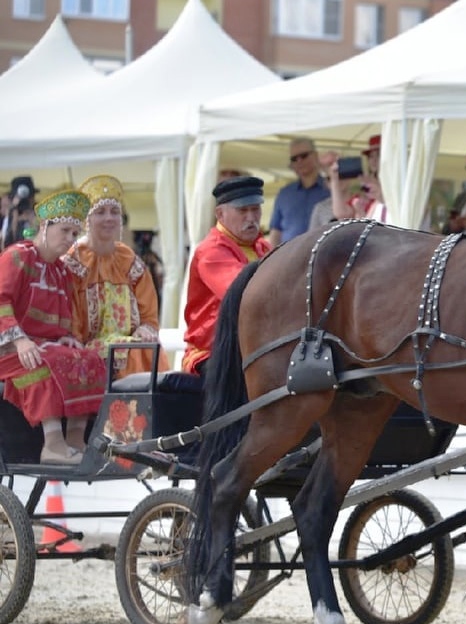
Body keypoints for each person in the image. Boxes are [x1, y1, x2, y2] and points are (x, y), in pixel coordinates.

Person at [0, 189, 106, 463]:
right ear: (45, 227)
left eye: (75, 233)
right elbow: (1, 301)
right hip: (10, 348)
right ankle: (53, 445)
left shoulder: (61, 271)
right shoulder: (17, 257)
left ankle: (75, 440)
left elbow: (62, 318)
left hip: (43, 346)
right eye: (65, 231)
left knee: (89, 359)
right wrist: (20, 340)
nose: (71, 239)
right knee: (44, 361)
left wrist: (67, 338)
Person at [62, 175, 166, 380]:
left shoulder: (129, 260)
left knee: (145, 347)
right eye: (100, 212)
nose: (109, 218)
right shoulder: (72, 263)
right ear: (86, 220)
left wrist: (146, 328)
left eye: (115, 212)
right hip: (83, 346)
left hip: (130, 343)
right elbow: (69, 319)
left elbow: (149, 315)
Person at [182, 176, 271, 376]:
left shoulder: (263, 247)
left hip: (253, 347)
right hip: (212, 353)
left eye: (255, 209)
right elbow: (244, 293)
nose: (251, 217)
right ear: (220, 214)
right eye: (242, 210)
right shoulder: (210, 251)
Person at [269, 138, 330, 246]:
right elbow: (276, 231)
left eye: (304, 156)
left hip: (324, 255)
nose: (299, 161)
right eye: (294, 159)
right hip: (289, 258)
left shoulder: (331, 189)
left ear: (316, 156)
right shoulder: (284, 194)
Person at [330, 135, 388, 224]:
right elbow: (342, 213)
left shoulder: (397, 184)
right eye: (371, 156)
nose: (374, 160)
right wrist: (334, 181)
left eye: (378, 154)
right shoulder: (365, 187)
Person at [2, 175, 39, 249]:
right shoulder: (10, 216)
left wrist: (34, 221)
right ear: (13, 199)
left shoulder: (41, 214)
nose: (24, 203)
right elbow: (6, 245)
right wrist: (14, 219)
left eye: (28, 198)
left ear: (33, 198)